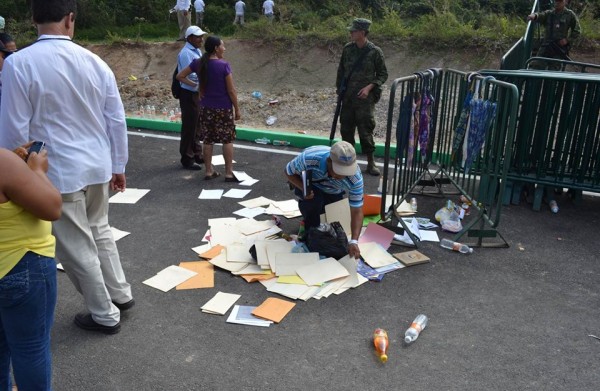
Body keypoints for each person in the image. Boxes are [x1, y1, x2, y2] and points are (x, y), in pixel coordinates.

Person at [0, 0, 134, 335]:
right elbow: (116, 120)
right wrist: (118, 164)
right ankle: (120, 294)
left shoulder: (19, 63)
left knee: (77, 248)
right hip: (98, 165)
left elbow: (14, 129)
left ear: (33, 19)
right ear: (70, 19)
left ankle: (104, 314)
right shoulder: (96, 62)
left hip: (58, 171)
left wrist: (17, 177)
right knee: (100, 231)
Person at [0, 146, 62, 391]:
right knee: (30, 348)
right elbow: (51, 208)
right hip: (21, 264)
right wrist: (37, 172)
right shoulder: (3, 162)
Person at [284, 141, 363, 259]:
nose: (342, 176)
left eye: (346, 172)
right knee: (314, 210)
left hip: (334, 189)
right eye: (339, 170)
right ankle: (308, 232)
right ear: (329, 161)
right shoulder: (309, 159)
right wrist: (304, 188)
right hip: (310, 184)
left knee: (332, 220)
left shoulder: (355, 179)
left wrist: (354, 241)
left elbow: (357, 210)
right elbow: (288, 172)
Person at [178, 36, 241, 181]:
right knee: (227, 139)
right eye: (222, 46)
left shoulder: (198, 63)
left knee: (207, 140)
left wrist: (196, 86)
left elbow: (180, 76)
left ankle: (208, 171)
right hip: (224, 108)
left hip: (206, 108)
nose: (224, 49)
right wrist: (237, 108)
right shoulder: (224, 65)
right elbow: (231, 91)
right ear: (216, 48)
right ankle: (229, 173)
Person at [336, 18, 388, 176]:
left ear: (363, 32)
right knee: (346, 130)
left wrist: (369, 87)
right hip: (348, 98)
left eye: (354, 30)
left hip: (365, 99)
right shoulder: (348, 49)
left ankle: (371, 163)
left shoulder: (374, 52)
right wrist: (340, 90)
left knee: (366, 130)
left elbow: (383, 74)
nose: (351, 32)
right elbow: (341, 70)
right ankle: (349, 163)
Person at [176, 25, 206, 170]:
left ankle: (197, 154)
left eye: (201, 36)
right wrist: (196, 85)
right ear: (190, 38)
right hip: (189, 93)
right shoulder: (186, 53)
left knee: (197, 124)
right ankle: (187, 158)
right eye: (198, 36)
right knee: (189, 126)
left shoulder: (197, 51)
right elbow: (185, 75)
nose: (201, 39)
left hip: (196, 92)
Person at [527, 0, 581, 70]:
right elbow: (541, 15)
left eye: (560, 1)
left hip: (558, 48)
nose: (557, 3)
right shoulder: (549, 13)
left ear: (565, 2)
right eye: (556, 1)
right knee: (536, 67)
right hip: (546, 47)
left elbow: (577, 31)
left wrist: (567, 40)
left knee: (554, 71)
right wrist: (534, 15)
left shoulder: (569, 14)